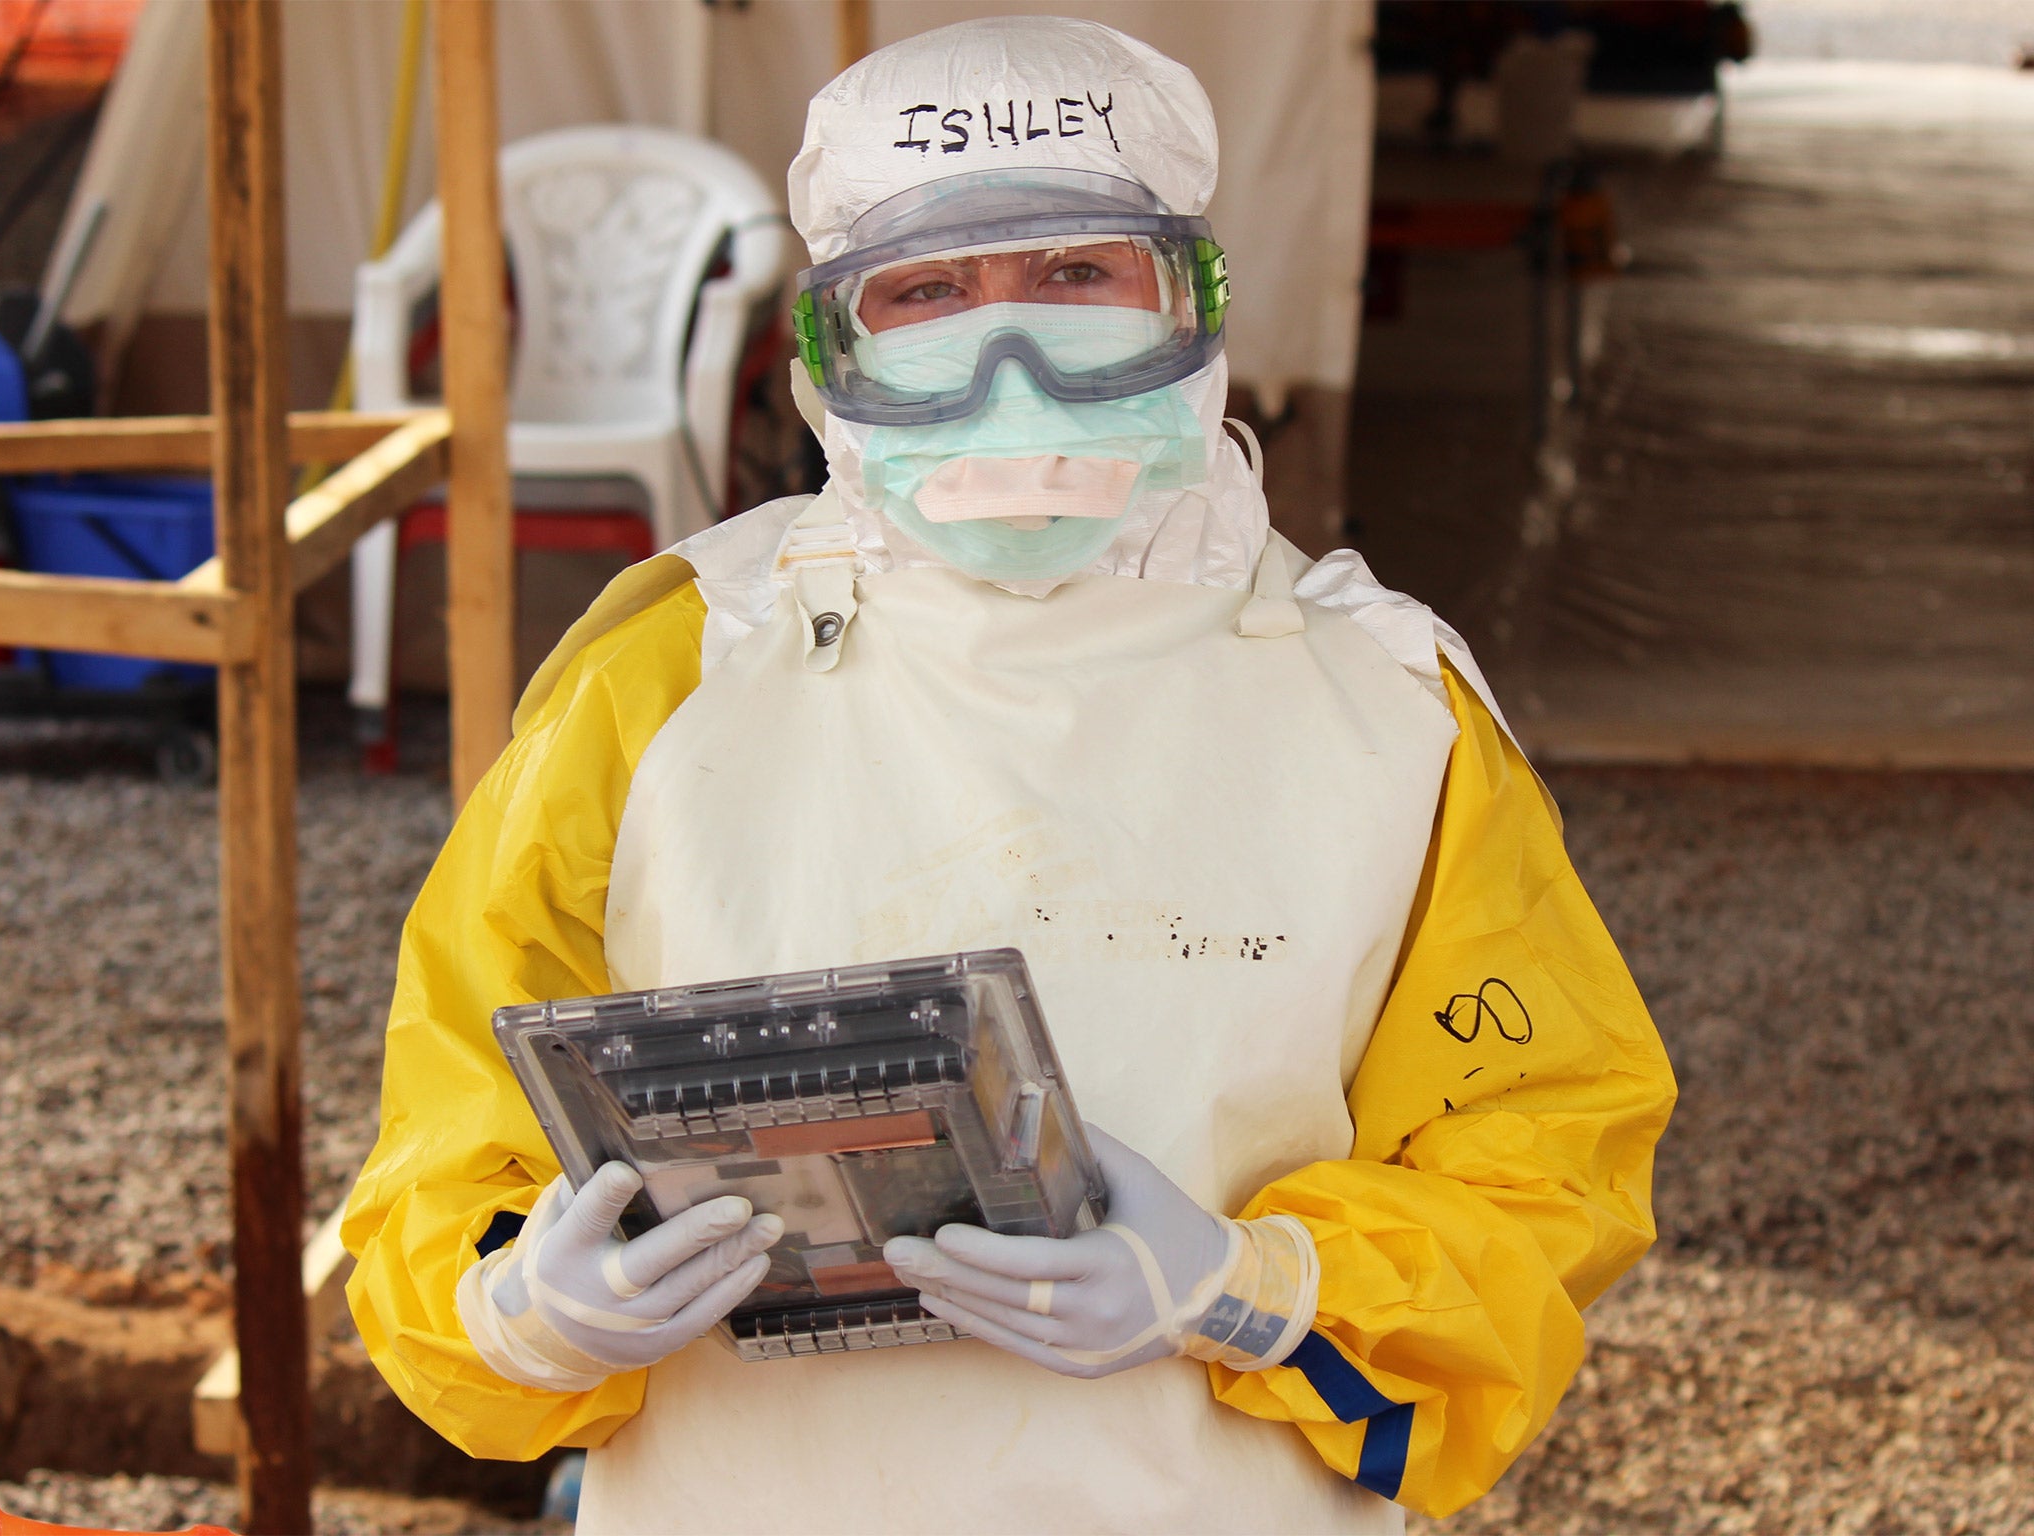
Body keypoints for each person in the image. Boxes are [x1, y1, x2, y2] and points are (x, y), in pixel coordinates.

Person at [343, 17, 1675, 1534]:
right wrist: (524, 1299)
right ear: (832, 350)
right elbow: (451, 1136)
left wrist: (1249, 1290)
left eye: (1073, 276)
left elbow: (1544, 1163)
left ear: (1193, 299)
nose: (1008, 358)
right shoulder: (665, 681)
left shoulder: (1387, 708)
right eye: (927, 294)